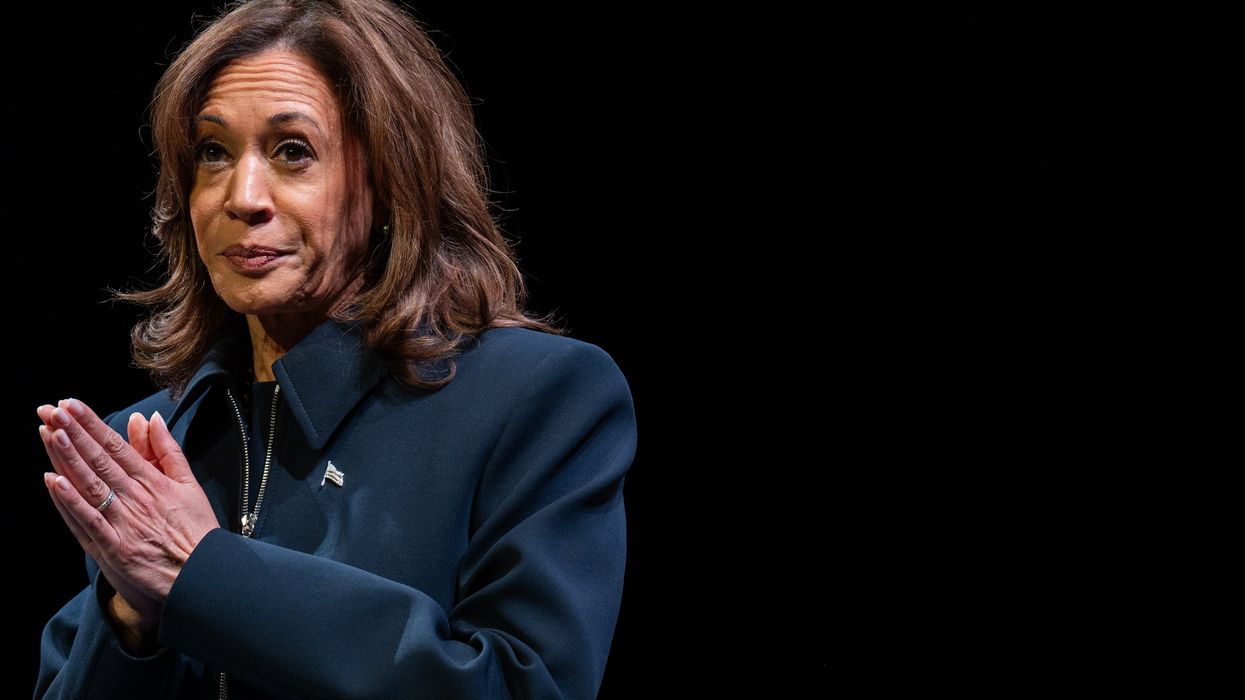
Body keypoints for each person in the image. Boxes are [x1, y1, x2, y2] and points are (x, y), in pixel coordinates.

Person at [32, 1, 636, 698]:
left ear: (389, 181)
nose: (242, 197)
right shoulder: (150, 441)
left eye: (292, 151)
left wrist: (203, 575)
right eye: (212, 152)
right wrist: (130, 621)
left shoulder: (534, 398)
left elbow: (525, 687)